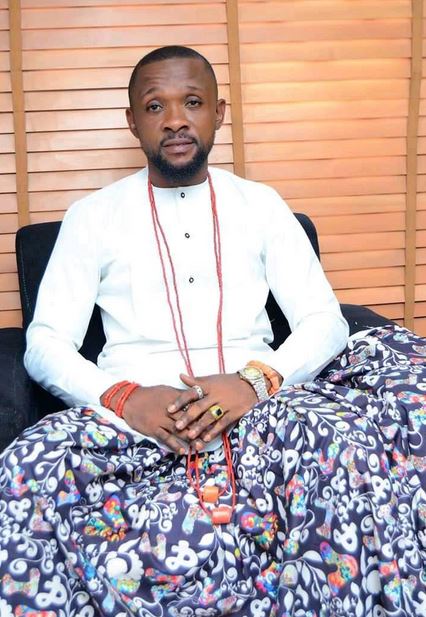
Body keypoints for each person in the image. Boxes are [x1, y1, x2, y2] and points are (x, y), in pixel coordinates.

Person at [0, 46, 425, 617]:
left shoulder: (262, 205)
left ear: (218, 113)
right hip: (133, 415)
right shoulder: (92, 216)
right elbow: (45, 342)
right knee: (28, 467)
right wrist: (127, 399)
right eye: (155, 106)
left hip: (264, 405)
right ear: (133, 121)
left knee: (351, 442)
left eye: (193, 102)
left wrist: (252, 383)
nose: (175, 119)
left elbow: (323, 319)